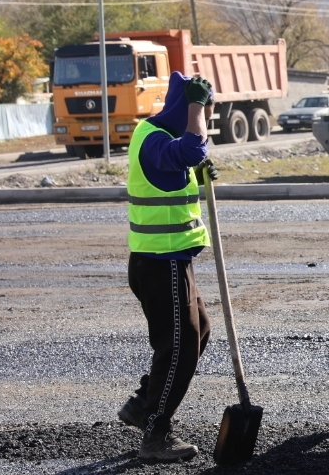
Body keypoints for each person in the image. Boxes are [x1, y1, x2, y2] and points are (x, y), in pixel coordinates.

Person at [119, 71, 219, 461]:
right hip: (160, 264)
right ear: (184, 107)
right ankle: (155, 434)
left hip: (171, 261)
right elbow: (191, 149)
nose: (203, 119)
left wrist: (196, 170)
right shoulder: (154, 139)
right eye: (200, 110)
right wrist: (196, 108)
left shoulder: (158, 138)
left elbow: (184, 163)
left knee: (198, 333)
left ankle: (143, 404)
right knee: (178, 347)